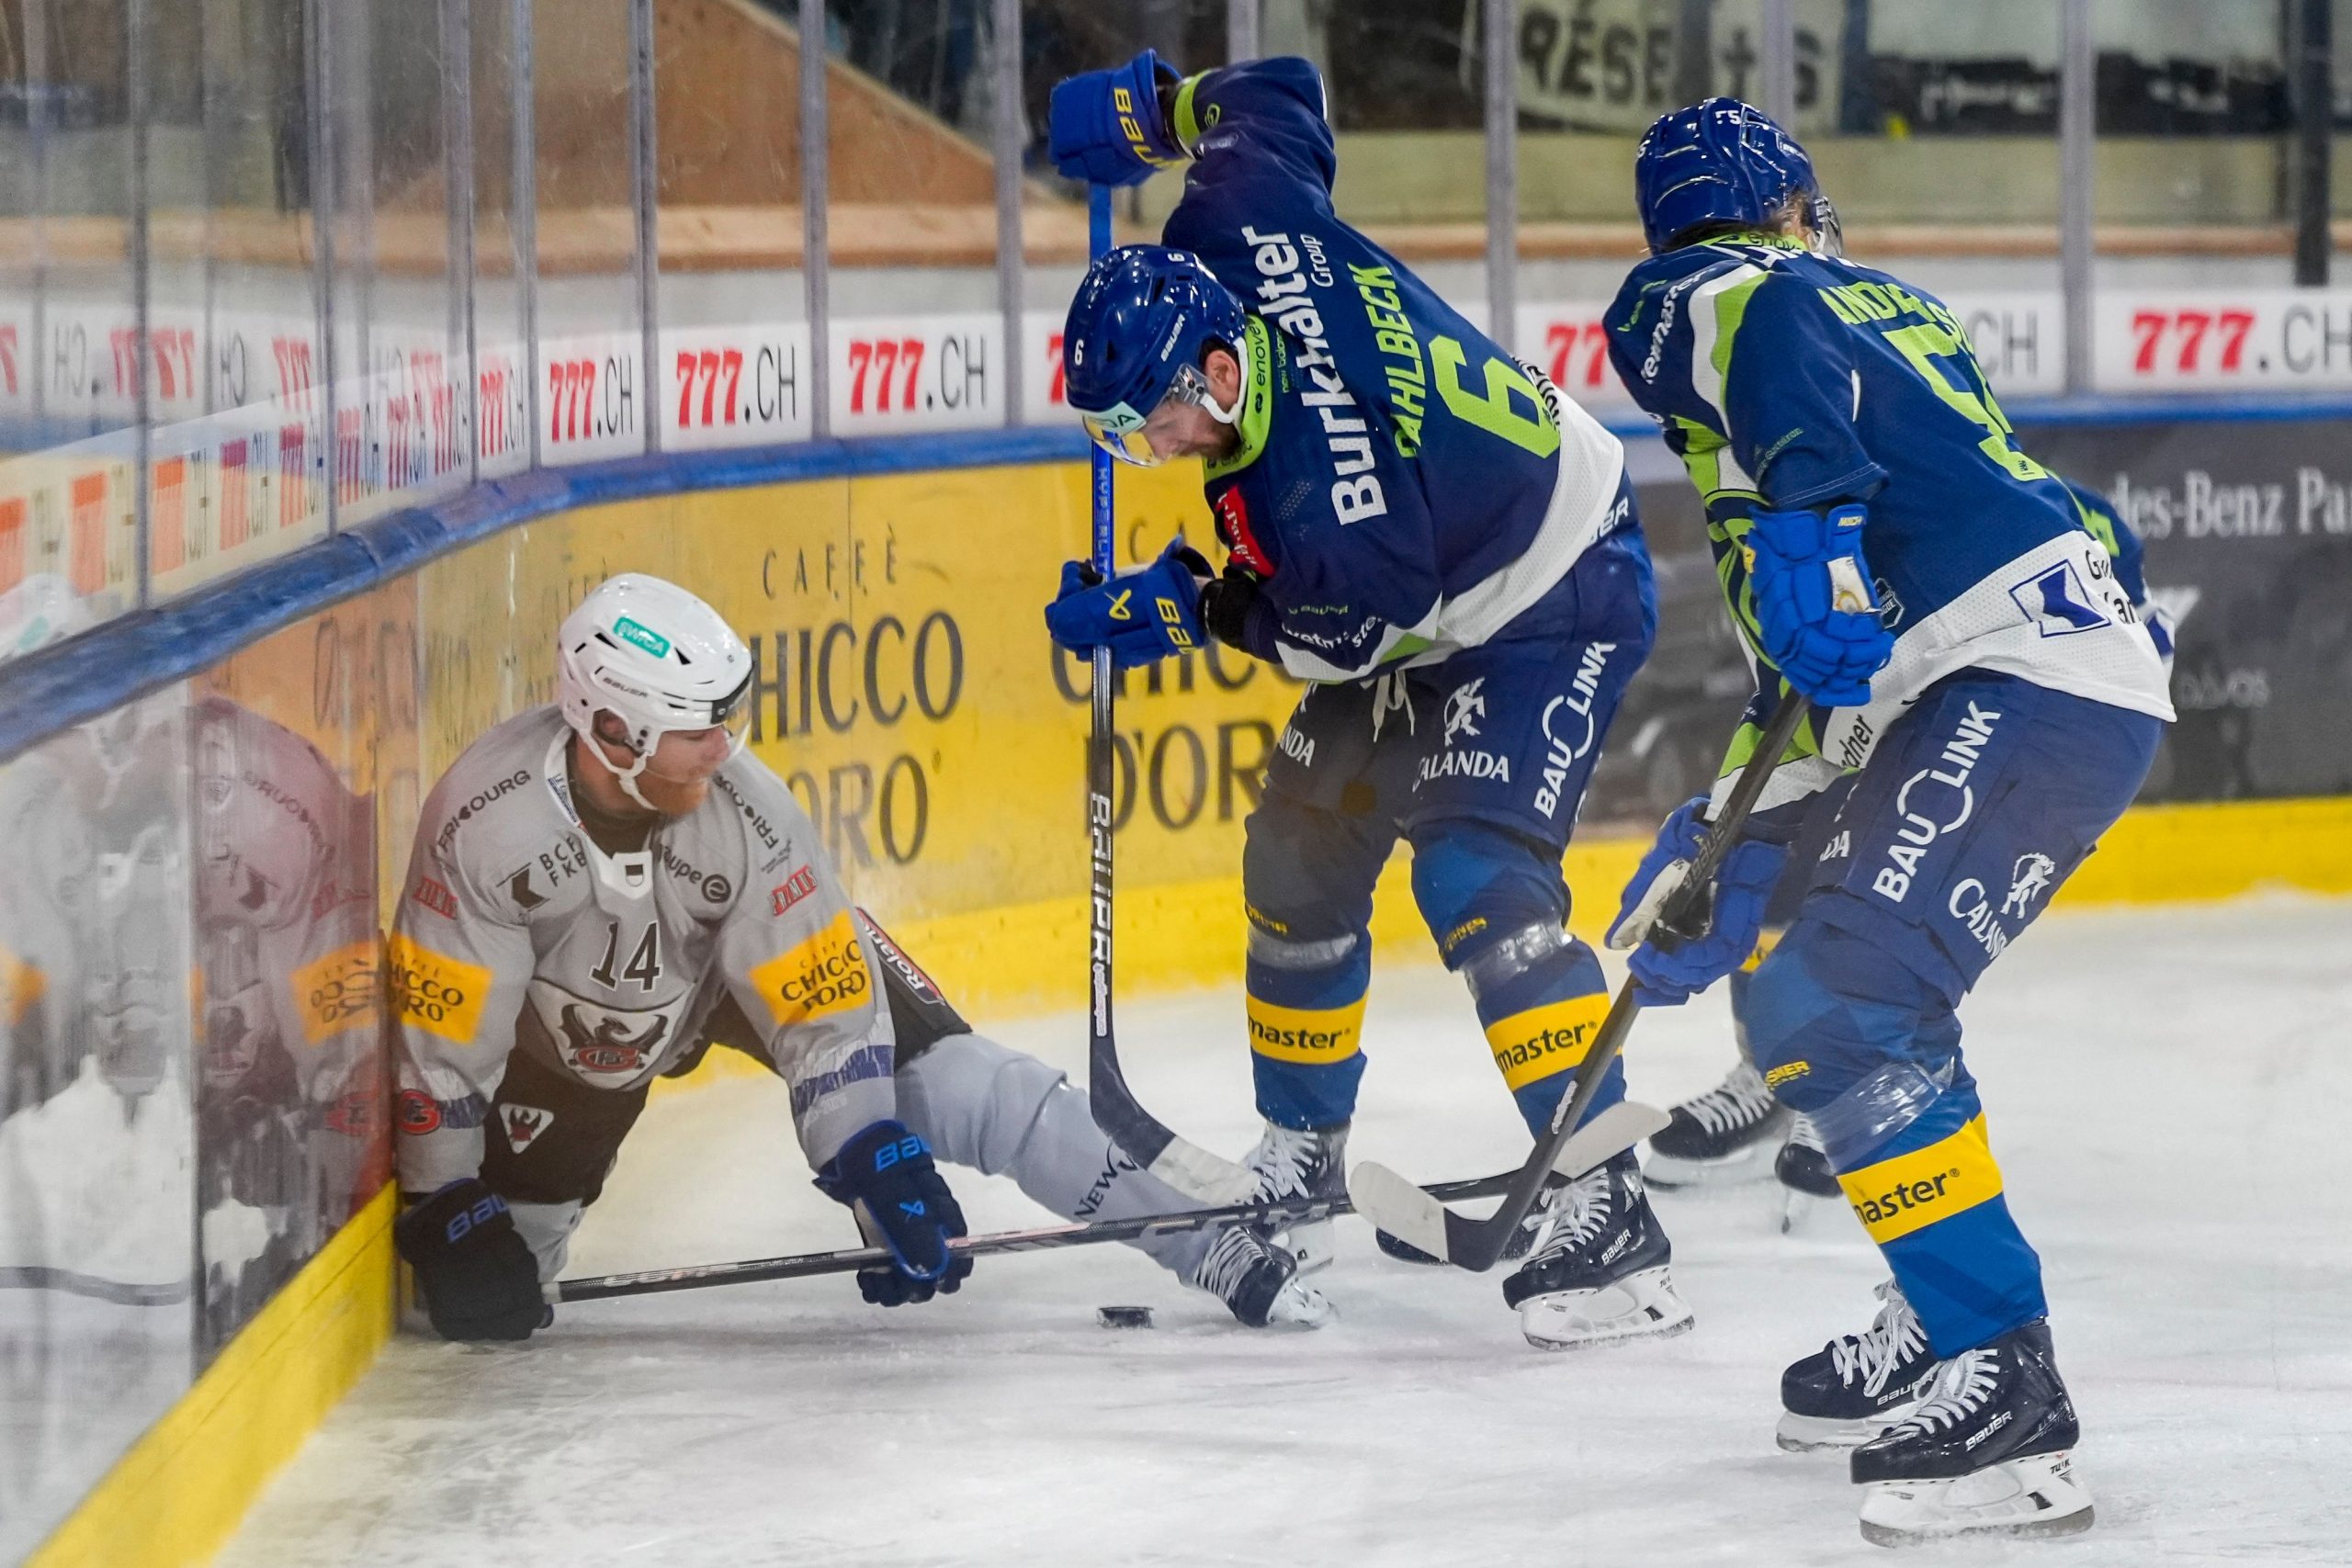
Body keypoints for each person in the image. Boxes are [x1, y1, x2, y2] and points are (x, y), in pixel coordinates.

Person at [1600, 101, 2175, 1543]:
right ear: (1796, 197)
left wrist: (1805, 516)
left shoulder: (1734, 299)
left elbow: (1740, 312)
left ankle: (2012, 1389)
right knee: (1825, 977)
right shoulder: (1883, 313)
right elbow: (1834, 678)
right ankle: (1939, 1306)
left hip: (2029, 675)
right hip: (2005, 668)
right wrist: (1728, 852)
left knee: (1842, 993)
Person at [1041, 53, 1676, 1350]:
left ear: (1216, 379)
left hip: (1551, 589)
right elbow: (1273, 88)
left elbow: (1344, 638)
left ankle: (1611, 1204)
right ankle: (1303, 1158)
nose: (1143, 453)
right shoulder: (1231, 221)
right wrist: (1156, 114)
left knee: (1476, 876)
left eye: (1146, 425)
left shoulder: (1330, 515)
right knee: (1296, 850)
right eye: (1116, 435)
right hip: (1434, 565)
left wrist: (1187, 607)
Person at [387, 572, 1329, 1342]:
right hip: (569, 1040)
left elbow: (824, 1014)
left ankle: (1215, 1243)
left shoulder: (750, 814)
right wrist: (445, 1199)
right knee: (481, 1301)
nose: (725, 749)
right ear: (612, 728)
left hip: (721, 969)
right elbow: (442, 1037)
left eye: (729, 720)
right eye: (695, 729)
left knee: (969, 1088)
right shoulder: (484, 825)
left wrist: (870, 1159)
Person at [1646, 481, 2175, 1220]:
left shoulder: (2060, 506)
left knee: (1881, 919)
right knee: (1780, 852)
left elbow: (2138, 648)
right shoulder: (1880, 476)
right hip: (1875, 709)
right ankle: (1772, 1074)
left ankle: (1848, 1080)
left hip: (1993, 727)